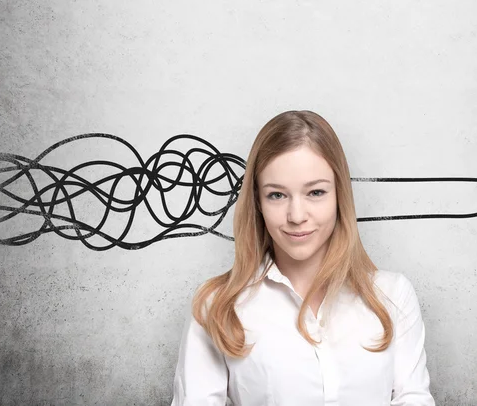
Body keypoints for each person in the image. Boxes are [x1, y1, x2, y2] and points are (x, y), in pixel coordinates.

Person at [170, 110, 435, 406]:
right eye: (277, 195)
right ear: (257, 200)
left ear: (340, 195)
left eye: (316, 192)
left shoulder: (393, 295)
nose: (297, 216)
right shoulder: (216, 306)